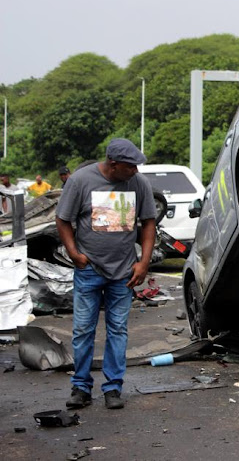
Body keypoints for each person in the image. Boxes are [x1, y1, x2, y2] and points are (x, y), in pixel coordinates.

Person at [55, 139, 156, 410]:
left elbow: (148, 223)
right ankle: (80, 387)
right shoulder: (80, 181)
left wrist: (143, 263)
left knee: (118, 330)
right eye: (130, 166)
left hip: (124, 272)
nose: (135, 171)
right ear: (113, 164)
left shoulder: (139, 184)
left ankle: (113, 388)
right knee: (83, 330)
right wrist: (75, 254)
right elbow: (62, 219)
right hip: (89, 270)